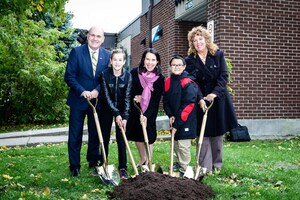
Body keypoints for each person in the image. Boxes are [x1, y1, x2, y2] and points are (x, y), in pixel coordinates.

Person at [185, 25, 238, 174]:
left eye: (200, 39)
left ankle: (217, 166)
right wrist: (201, 98)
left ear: (206, 40)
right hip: (200, 99)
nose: (198, 43)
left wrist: (214, 93)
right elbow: (191, 82)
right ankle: (204, 167)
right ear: (192, 43)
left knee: (217, 133)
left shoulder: (218, 54)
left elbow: (223, 76)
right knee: (203, 133)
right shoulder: (189, 60)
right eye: (195, 40)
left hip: (218, 98)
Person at [64, 26, 111, 177]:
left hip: (97, 101)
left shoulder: (107, 55)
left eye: (99, 36)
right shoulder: (76, 52)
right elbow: (69, 76)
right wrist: (82, 91)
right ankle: (74, 166)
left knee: (95, 133)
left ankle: (93, 161)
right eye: (92, 35)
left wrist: (97, 90)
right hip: (78, 100)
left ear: (103, 39)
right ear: (88, 36)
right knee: (75, 134)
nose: (95, 38)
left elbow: (107, 77)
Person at [163, 55, 202, 176]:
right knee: (176, 144)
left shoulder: (188, 82)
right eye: (174, 65)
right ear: (170, 67)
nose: (176, 67)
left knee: (183, 145)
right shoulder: (168, 81)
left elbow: (188, 105)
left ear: (184, 66)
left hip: (186, 120)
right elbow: (166, 100)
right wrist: (170, 115)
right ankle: (178, 164)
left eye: (179, 65)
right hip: (174, 118)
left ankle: (185, 169)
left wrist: (177, 123)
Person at [126, 48, 164, 167]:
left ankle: (149, 160)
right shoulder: (134, 73)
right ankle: (142, 158)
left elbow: (155, 99)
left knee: (149, 135)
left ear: (157, 61)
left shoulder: (160, 78)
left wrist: (146, 115)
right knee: (138, 134)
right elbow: (129, 90)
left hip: (150, 111)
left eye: (153, 60)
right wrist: (135, 97)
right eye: (147, 59)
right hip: (136, 109)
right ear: (143, 60)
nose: (150, 62)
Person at [98, 49, 132, 179]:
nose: (117, 62)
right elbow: (106, 97)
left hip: (122, 110)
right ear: (111, 61)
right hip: (106, 109)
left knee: (121, 138)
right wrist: (116, 113)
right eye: (115, 59)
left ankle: (123, 167)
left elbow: (127, 97)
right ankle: (103, 163)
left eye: (120, 60)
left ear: (124, 61)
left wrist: (125, 116)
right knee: (104, 137)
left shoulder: (128, 76)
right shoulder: (104, 75)